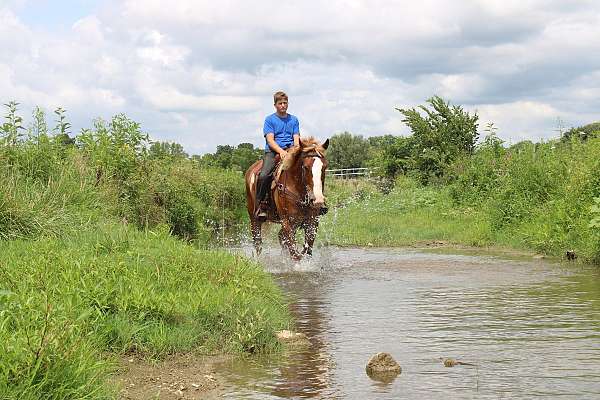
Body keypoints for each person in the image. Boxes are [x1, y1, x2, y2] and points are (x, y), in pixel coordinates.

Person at [255, 91, 300, 219]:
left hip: (290, 150)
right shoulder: (269, 120)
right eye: (280, 103)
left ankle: (315, 200)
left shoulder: (294, 120)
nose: (283, 105)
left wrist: (295, 150)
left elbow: (296, 139)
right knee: (264, 175)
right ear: (275, 105)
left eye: (285, 103)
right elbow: (270, 140)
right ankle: (262, 204)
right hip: (273, 151)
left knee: (307, 167)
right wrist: (280, 151)